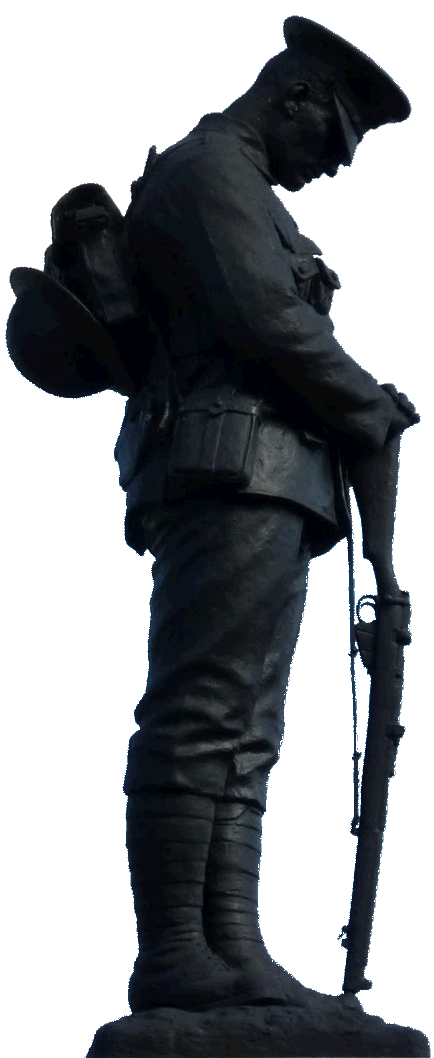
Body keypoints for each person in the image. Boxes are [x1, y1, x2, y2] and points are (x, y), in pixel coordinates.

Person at [114, 16, 418, 1013]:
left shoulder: (244, 190)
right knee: (202, 715)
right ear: (293, 94)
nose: (329, 169)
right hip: (222, 465)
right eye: (328, 142)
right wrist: (366, 397)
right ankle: (175, 954)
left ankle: (227, 946)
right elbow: (262, 316)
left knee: (245, 732)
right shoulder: (209, 173)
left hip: (271, 478)